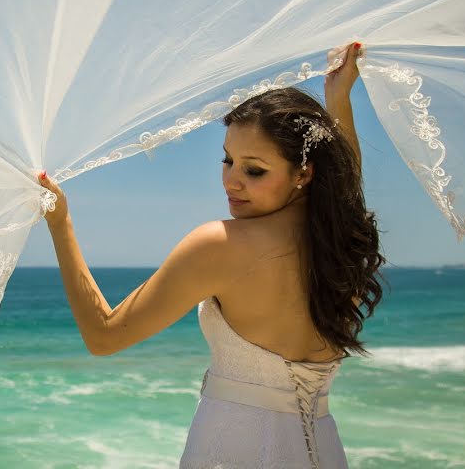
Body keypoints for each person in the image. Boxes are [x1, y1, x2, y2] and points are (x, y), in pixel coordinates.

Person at [37, 42, 387, 468]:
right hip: (323, 451)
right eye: (228, 160)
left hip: (235, 447)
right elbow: (346, 180)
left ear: (304, 173)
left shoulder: (220, 244)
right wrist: (339, 98)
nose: (232, 181)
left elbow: (104, 336)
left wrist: (60, 224)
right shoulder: (344, 243)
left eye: (254, 170)